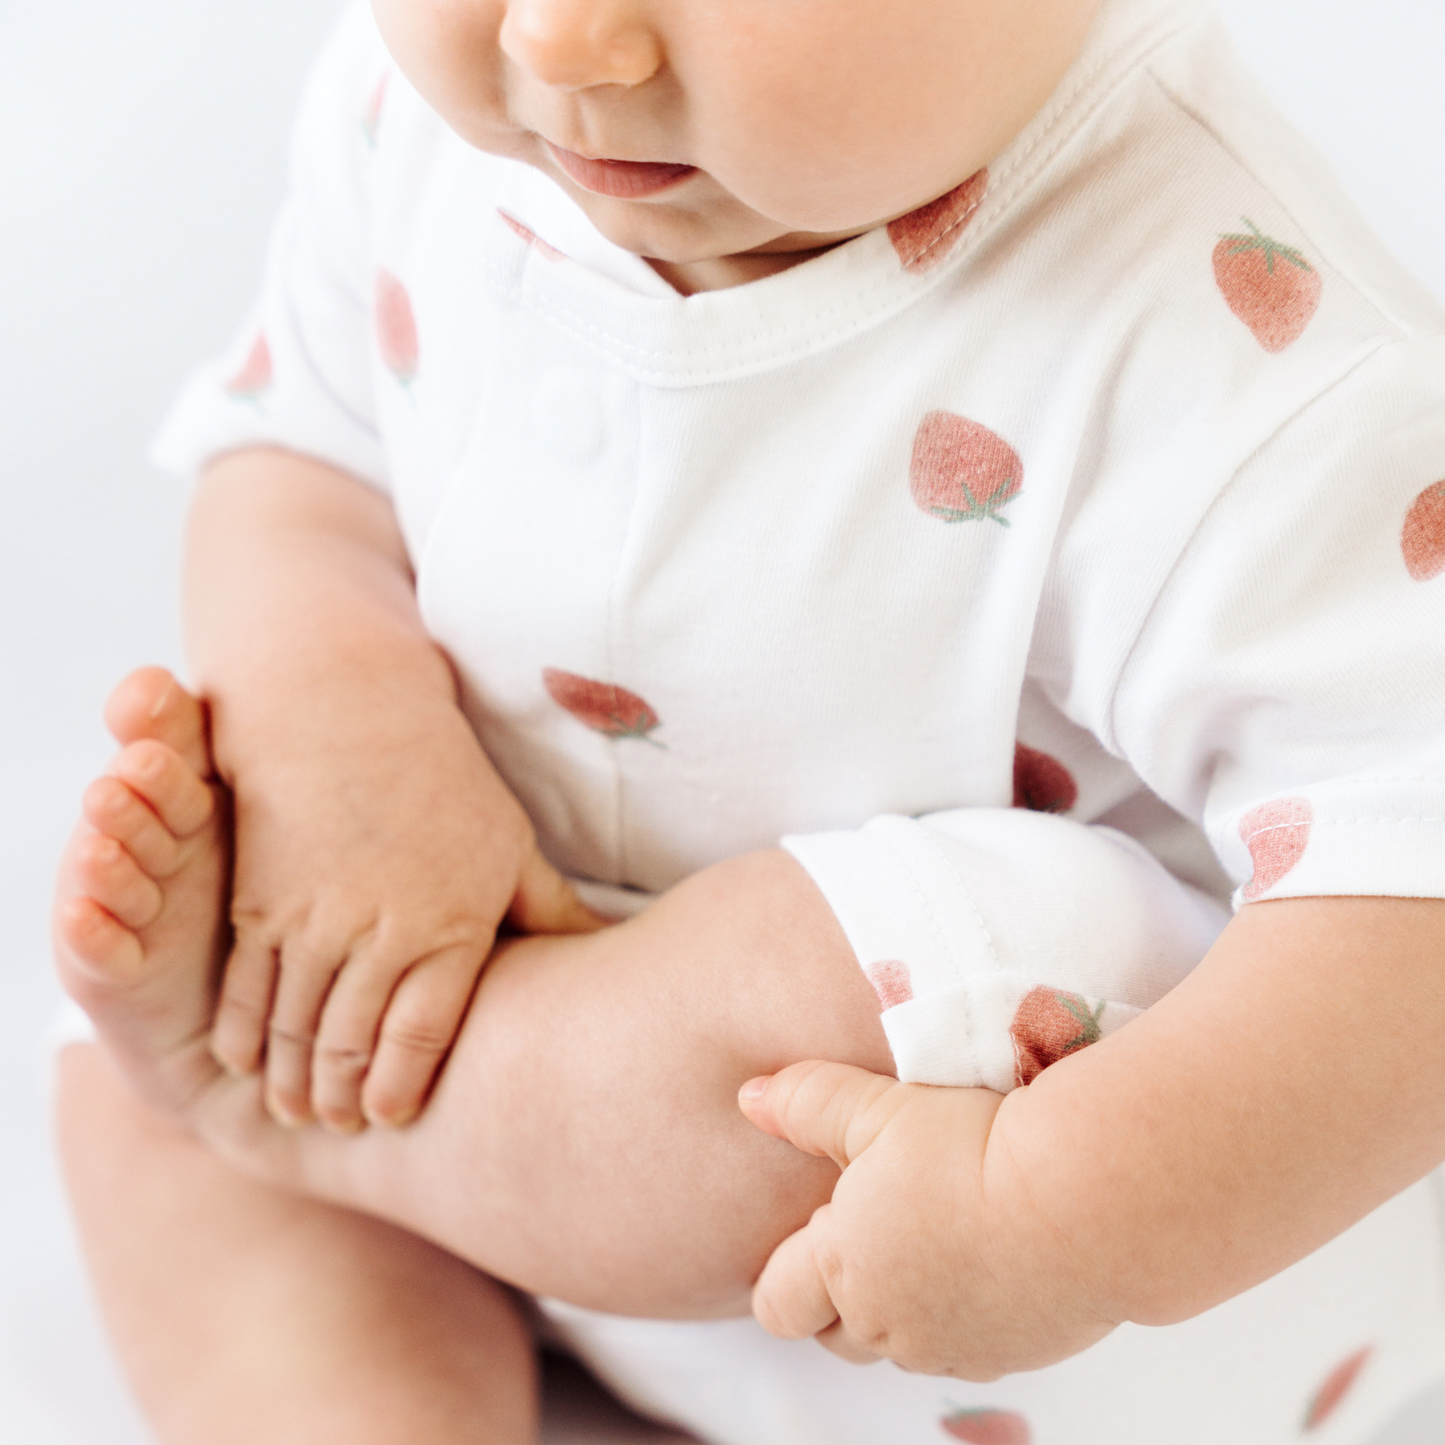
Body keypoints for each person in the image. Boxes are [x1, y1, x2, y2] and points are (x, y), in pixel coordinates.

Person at [50, 0, 1445, 1437]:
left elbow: (1417, 873)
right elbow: (301, 437)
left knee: (943, 981)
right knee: (146, 1053)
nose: (565, 44)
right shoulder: (422, 130)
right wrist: (336, 724)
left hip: (921, 1263)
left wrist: (1068, 1205)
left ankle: (278, 1121)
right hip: (429, 1029)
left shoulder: (1238, 353)